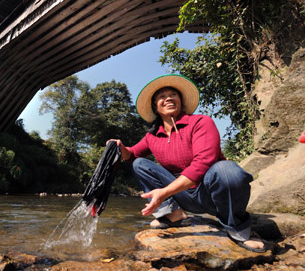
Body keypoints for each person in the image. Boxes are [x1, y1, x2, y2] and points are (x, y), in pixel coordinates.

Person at [108, 74, 266, 253]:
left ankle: (237, 227)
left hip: (211, 194)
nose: (168, 98)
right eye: (161, 96)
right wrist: (119, 147)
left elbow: (203, 163)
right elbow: (132, 155)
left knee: (227, 169)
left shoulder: (201, 122)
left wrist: (164, 192)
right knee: (140, 164)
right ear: (155, 107)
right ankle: (174, 215)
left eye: (173, 94)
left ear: (181, 101)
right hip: (183, 196)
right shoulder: (152, 136)